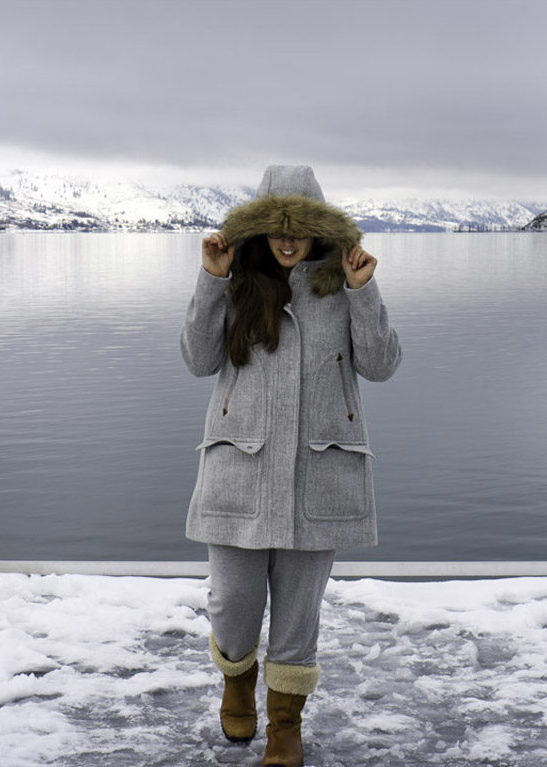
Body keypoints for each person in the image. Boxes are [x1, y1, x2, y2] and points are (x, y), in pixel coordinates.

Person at [180, 165, 401, 766]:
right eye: (276, 229)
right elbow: (198, 360)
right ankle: (235, 686)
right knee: (232, 602)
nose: (287, 241)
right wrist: (210, 280)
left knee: (300, 613)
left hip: (318, 471)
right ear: (259, 231)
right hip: (238, 469)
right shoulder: (236, 283)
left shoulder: (343, 286)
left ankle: (284, 724)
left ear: (318, 232)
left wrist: (363, 291)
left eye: (300, 229)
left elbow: (381, 366)